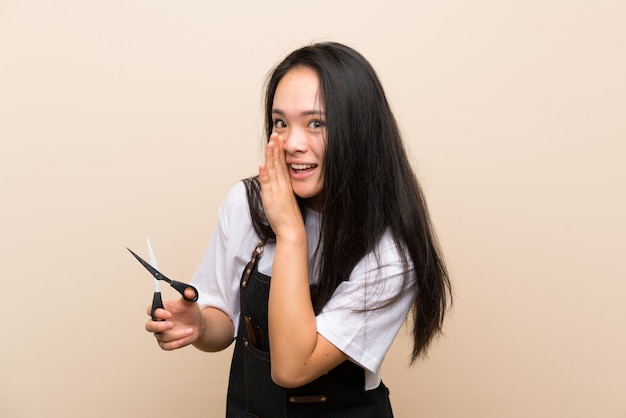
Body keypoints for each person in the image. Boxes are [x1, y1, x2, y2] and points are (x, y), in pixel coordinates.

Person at [145, 41, 452, 417]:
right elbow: (223, 320)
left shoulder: (390, 254)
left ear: (358, 131)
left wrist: (290, 231)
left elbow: (292, 368)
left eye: (316, 123)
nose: (292, 143)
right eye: (280, 123)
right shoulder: (246, 204)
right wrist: (199, 325)